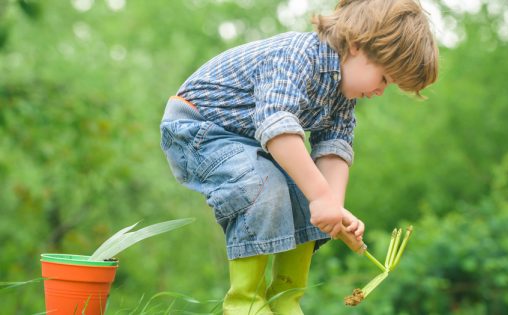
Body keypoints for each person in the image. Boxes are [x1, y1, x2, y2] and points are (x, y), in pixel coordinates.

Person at [160, 0, 438, 313]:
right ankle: (244, 303)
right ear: (359, 46)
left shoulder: (342, 98)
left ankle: (286, 301)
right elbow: (276, 124)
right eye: (385, 78)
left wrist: (333, 209)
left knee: (309, 199)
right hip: (199, 128)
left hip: (248, 142)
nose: (380, 91)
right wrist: (321, 195)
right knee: (266, 186)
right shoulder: (298, 55)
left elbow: (334, 147)